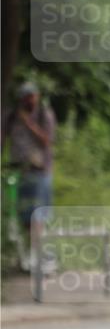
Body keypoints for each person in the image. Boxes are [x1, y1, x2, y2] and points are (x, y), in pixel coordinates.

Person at [4, 81, 57, 256]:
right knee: (26, 215)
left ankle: (42, 253)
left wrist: (29, 123)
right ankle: (33, 252)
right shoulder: (12, 116)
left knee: (38, 214)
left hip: (40, 171)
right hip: (20, 172)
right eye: (26, 97)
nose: (29, 100)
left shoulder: (44, 115)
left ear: (37, 97)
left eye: (31, 96)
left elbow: (47, 141)